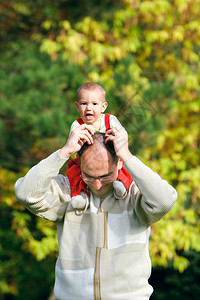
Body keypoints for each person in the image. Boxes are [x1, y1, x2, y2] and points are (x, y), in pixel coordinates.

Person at [15, 125, 178, 300]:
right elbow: (26, 193)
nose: (97, 184)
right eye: (89, 176)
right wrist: (64, 152)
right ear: (79, 166)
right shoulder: (68, 192)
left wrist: (128, 156)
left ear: (119, 163)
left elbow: (165, 201)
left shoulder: (134, 194)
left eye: (105, 176)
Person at [67, 82, 133, 214]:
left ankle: (121, 185)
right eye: (84, 104)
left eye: (94, 104)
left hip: (108, 157)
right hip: (86, 159)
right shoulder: (77, 124)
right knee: (74, 172)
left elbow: (122, 134)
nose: (88, 108)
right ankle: (79, 195)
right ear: (77, 106)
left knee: (121, 168)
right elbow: (73, 143)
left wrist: (118, 137)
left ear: (103, 106)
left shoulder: (109, 120)